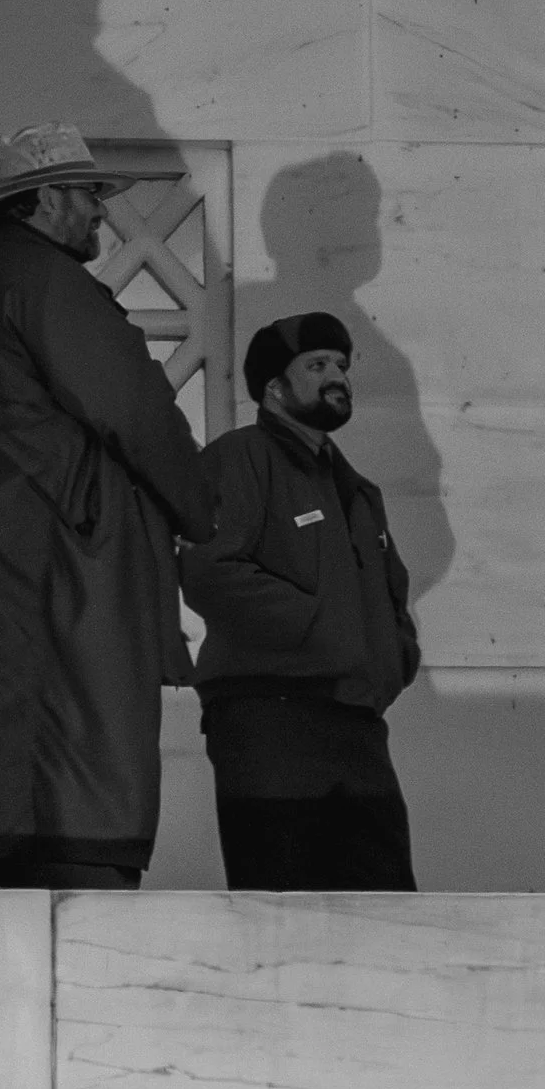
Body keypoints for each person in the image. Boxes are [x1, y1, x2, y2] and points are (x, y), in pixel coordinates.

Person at [0, 120, 217, 890]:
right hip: (74, 557)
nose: (101, 213)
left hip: (17, 549)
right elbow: (135, 412)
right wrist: (205, 515)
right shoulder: (51, 285)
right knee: (84, 741)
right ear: (41, 202)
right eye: (86, 195)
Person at [179, 312, 421, 887]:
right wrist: (321, 628)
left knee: (386, 914)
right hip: (268, 719)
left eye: (340, 364)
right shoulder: (237, 458)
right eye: (316, 365)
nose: (337, 375)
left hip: (357, 722)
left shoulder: (357, 488)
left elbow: (391, 589)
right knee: (279, 915)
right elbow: (210, 571)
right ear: (274, 389)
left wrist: (394, 656)